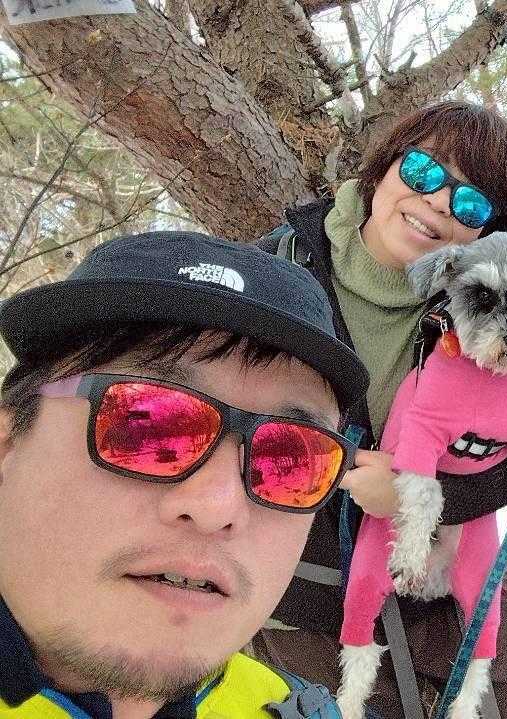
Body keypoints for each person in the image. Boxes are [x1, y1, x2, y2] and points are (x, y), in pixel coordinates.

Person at [252, 100, 507, 719]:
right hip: (298, 587)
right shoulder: (276, 271)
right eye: (422, 171)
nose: (439, 201)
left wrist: (428, 496)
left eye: (470, 204)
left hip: (446, 568)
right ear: (383, 169)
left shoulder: (480, 300)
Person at [0, 231, 370, 718]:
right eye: (148, 425)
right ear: (7, 444)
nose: (218, 506)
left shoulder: (291, 707)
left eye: (289, 457)